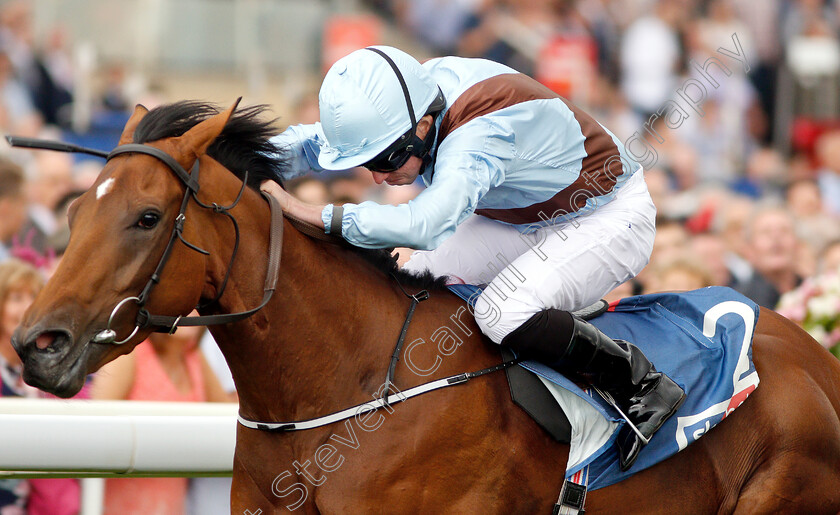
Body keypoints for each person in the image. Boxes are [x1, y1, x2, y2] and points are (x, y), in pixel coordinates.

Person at [262, 45, 685, 471]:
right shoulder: (408, 98)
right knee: (409, 288)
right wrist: (223, 157)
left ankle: (639, 383)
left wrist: (311, 212)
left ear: (425, 125)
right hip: (520, 215)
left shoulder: (479, 131)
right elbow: (313, 143)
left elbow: (426, 225)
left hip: (607, 217)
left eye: (385, 159)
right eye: (366, 163)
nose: (377, 177)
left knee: (501, 312)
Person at [91, 314, 230, 515]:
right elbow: (94, 428)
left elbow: (229, 422)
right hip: (117, 506)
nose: (192, 312)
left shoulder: (195, 358)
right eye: (184, 305)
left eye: (197, 306)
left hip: (174, 506)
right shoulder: (130, 353)